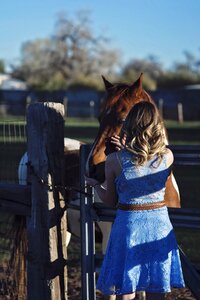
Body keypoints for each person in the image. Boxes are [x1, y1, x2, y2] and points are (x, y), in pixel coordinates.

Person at [85, 101, 185, 300]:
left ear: (129, 125)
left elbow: (110, 200)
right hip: (159, 225)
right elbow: (147, 168)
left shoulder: (114, 160)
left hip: (129, 226)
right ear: (156, 126)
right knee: (157, 285)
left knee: (126, 287)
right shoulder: (168, 156)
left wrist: (94, 184)